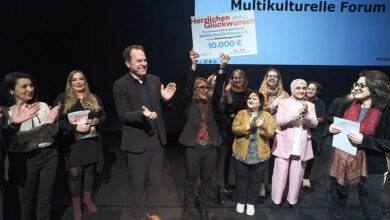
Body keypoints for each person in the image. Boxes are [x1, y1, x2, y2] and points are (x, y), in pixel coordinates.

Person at [113, 45, 176, 220]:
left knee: (155, 181)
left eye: (145, 60)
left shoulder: (155, 80)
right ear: (128, 63)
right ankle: (140, 215)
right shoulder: (120, 85)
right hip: (137, 141)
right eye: (138, 60)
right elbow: (123, 115)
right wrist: (142, 114)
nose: (143, 63)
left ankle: (152, 212)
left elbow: (161, 108)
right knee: (138, 184)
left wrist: (166, 100)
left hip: (157, 138)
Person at [327, 70, 390, 220]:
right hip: (340, 163)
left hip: (371, 167)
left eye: (362, 85)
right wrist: (331, 129)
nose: (356, 88)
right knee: (335, 206)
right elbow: (335, 125)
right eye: (357, 84)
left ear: (375, 87)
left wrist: (365, 141)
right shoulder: (347, 105)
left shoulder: (386, 112)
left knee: (371, 211)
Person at [0, 72, 60, 220]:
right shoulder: (6, 112)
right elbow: (18, 138)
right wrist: (45, 126)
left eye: (31, 85)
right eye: (24, 86)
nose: (30, 89)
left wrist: (53, 122)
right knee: (25, 203)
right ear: (11, 90)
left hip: (49, 155)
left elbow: (52, 133)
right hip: (24, 159)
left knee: (45, 199)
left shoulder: (42, 105)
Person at [179, 50, 229, 220]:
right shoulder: (188, 104)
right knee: (190, 179)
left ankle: (203, 207)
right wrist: (193, 65)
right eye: (201, 87)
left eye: (206, 87)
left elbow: (219, 86)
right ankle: (188, 208)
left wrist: (222, 67)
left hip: (210, 147)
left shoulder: (211, 104)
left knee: (207, 180)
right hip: (193, 147)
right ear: (195, 89)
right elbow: (187, 87)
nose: (204, 89)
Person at [54, 70, 106, 220]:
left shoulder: (94, 97)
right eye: (75, 80)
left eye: (81, 79)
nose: (78, 82)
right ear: (70, 82)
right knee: (75, 174)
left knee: (90, 171)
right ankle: (76, 204)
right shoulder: (62, 98)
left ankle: (87, 198)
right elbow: (56, 121)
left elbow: (104, 116)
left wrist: (97, 121)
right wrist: (74, 127)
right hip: (73, 143)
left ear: (85, 81)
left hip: (91, 141)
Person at [271, 79, 318, 213]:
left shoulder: (310, 105)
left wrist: (306, 114)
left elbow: (314, 123)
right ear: (292, 89)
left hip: (301, 142)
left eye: (304, 88)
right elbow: (280, 120)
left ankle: (292, 200)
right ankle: (276, 200)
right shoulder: (284, 103)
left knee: (297, 174)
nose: (301, 91)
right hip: (285, 141)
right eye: (298, 88)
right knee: (280, 173)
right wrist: (297, 114)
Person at [231, 91, 275, 216]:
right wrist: (247, 126)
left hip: (260, 155)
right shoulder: (241, 113)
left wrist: (262, 129)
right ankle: (241, 201)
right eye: (249, 98)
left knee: (255, 181)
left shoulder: (267, 116)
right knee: (241, 180)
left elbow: (271, 133)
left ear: (260, 103)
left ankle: (250, 203)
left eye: (254, 99)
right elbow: (235, 129)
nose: (250, 100)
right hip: (241, 154)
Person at [258, 68, 289, 196]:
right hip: (263, 130)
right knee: (261, 160)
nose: (272, 78)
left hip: (279, 132)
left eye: (275, 76)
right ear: (265, 78)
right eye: (269, 76)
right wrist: (275, 103)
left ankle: (271, 183)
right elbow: (261, 111)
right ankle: (260, 185)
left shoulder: (285, 95)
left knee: (274, 161)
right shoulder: (259, 94)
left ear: (278, 80)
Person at [302, 81, 326, 188]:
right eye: (308, 88)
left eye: (313, 89)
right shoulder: (300, 100)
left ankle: (306, 177)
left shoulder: (320, 103)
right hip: (301, 129)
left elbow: (322, 118)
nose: (310, 91)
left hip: (314, 131)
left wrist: (311, 120)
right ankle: (296, 175)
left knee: (310, 156)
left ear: (317, 91)